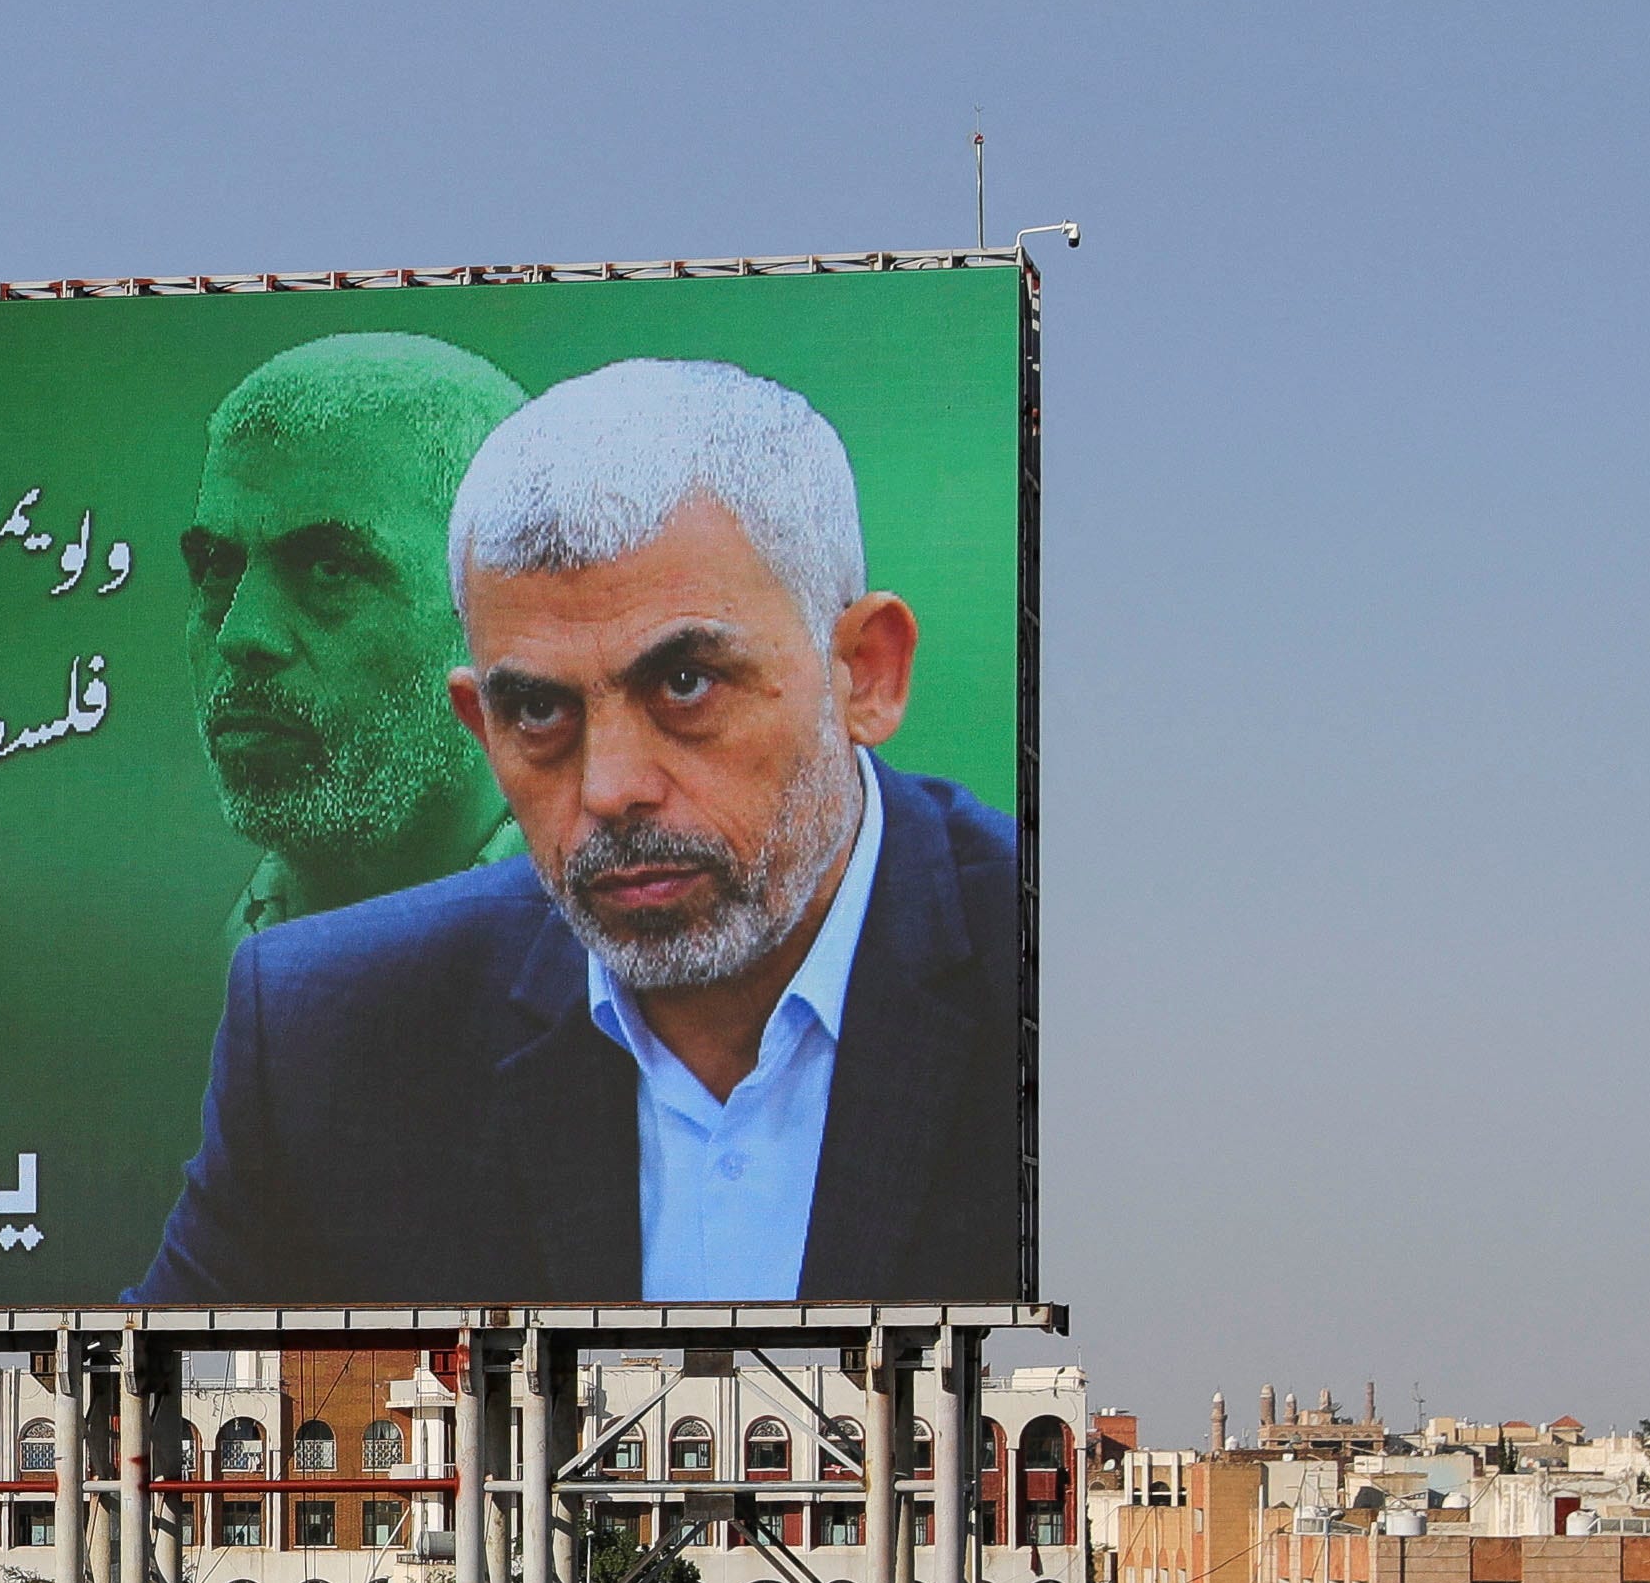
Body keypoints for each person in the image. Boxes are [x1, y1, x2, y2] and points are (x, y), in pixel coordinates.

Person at [130, 355, 1028, 1308]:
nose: (609, 790)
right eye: (541, 714)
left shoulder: (1051, 984)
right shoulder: (329, 1037)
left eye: (685, 685)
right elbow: (131, 1427)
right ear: (481, 727)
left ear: (867, 674)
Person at [175, 331, 533, 945]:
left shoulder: (653, 990)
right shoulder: (176, 986)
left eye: (328, 570)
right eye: (217, 567)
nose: (241, 634)